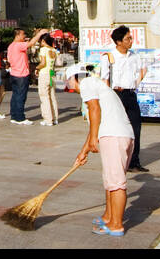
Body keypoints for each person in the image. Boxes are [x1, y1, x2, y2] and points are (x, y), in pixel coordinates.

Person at [67, 64, 134, 236]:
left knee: (116, 183)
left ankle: (116, 225)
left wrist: (93, 141)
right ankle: (108, 217)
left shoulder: (88, 83)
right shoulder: (98, 86)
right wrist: (84, 151)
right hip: (118, 135)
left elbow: (95, 110)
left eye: (68, 82)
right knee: (110, 180)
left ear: (74, 78)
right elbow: (94, 124)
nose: (69, 87)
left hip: (114, 136)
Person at [99, 25, 147, 171]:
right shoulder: (109, 57)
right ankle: (118, 160)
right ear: (118, 42)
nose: (130, 41)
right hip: (116, 94)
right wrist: (108, 96)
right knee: (118, 128)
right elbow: (105, 78)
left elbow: (143, 70)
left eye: (131, 38)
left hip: (130, 94)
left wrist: (135, 84)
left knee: (135, 127)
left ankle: (134, 161)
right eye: (127, 38)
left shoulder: (134, 56)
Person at [6, 29, 33, 125]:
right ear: (17, 35)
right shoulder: (18, 45)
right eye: (23, 34)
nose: (24, 36)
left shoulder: (11, 46)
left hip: (14, 74)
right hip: (21, 75)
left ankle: (14, 116)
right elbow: (31, 44)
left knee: (15, 96)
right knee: (21, 96)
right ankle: (20, 117)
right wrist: (39, 34)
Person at [36, 32, 59, 126]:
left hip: (44, 74)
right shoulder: (54, 50)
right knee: (52, 96)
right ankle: (55, 118)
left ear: (43, 41)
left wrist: (36, 68)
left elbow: (43, 63)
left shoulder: (43, 50)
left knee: (44, 97)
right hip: (52, 74)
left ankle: (47, 119)